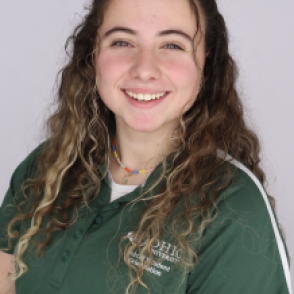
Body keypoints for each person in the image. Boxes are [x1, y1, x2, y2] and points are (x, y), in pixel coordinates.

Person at [0, 0, 292, 293]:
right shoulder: (47, 167)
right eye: (123, 41)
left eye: (172, 45)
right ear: (94, 53)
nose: (144, 69)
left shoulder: (233, 208)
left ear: (205, 61)